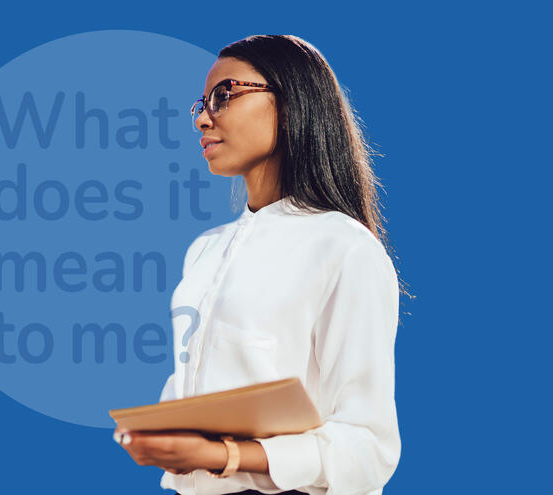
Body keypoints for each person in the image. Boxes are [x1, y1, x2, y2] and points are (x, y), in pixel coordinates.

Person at [114, 34, 411, 495]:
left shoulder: (344, 247)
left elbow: (366, 448)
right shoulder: (205, 252)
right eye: (202, 103)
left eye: (224, 95)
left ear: (291, 101)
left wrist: (225, 456)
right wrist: (159, 436)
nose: (203, 118)